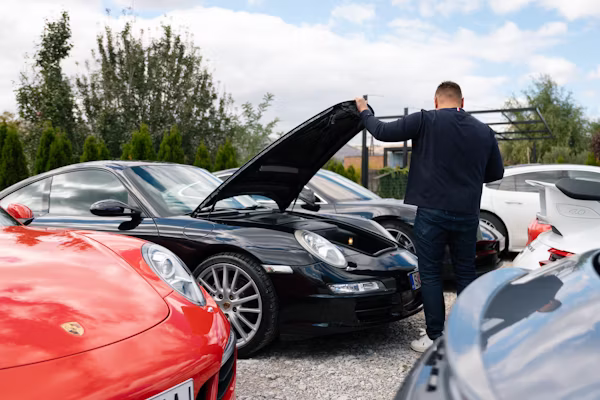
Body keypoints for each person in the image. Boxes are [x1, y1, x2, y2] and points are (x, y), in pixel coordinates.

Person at [355, 81, 504, 352]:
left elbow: (381, 131)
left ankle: (436, 337)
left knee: (431, 274)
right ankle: (468, 336)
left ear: (436, 101)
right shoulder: (484, 131)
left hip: (432, 212)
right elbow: (496, 173)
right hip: (467, 213)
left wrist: (365, 110)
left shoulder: (424, 119)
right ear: (462, 101)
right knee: (466, 273)